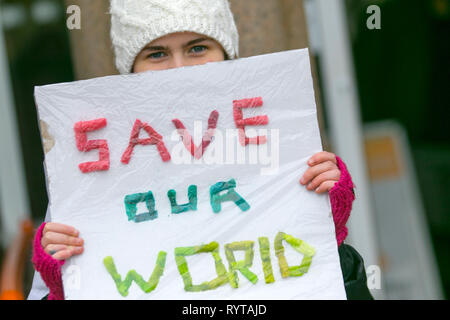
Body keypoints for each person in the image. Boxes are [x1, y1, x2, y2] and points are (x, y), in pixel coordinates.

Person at [28, 0, 373, 300]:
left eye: (197, 48)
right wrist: (68, 281)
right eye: (157, 54)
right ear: (131, 71)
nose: (179, 68)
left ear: (226, 55)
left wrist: (327, 234)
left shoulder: (283, 151)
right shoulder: (92, 181)